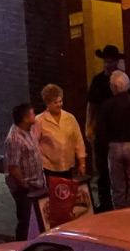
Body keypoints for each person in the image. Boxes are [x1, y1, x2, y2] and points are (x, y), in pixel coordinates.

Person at [95, 70, 130, 209]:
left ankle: (120, 217)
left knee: (117, 188)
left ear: (114, 87)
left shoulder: (107, 106)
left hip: (115, 146)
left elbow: (101, 131)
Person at [35, 84, 89, 223]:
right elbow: (34, 144)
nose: (59, 105)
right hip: (49, 167)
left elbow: (78, 140)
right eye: (55, 103)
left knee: (68, 196)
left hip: (67, 166)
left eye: (60, 101)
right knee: (53, 198)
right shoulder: (39, 121)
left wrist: (82, 162)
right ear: (47, 104)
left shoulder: (70, 118)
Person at [1, 102, 47, 247]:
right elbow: (13, 167)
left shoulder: (30, 129)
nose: (35, 116)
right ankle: (20, 246)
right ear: (25, 119)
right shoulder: (14, 139)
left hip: (37, 181)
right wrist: (24, 185)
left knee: (36, 216)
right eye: (32, 114)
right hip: (26, 186)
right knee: (25, 217)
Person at [87, 46, 126, 209]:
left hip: (119, 132)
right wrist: (88, 125)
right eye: (106, 61)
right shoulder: (98, 81)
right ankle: (105, 201)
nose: (108, 64)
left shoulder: (124, 80)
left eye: (111, 61)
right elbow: (91, 104)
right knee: (102, 168)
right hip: (103, 133)